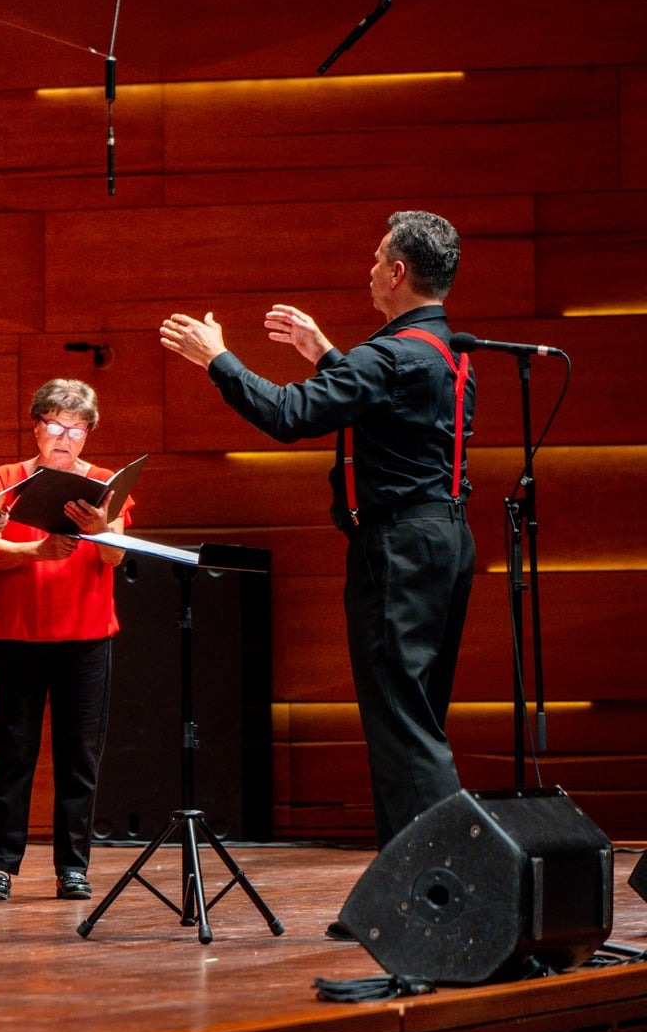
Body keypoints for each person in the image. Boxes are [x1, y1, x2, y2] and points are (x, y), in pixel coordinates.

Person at [162, 210, 476, 871]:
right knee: (411, 720)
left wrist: (218, 359)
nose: (368, 268)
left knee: (405, 728)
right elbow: (387, 409)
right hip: (444, 540)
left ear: (397, 272)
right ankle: (403, 888)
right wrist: (327, 355)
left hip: (396, 549)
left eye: (375, 257)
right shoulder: (447, 353)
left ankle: (460, 889)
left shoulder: (387, 355)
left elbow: (288, 415)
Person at [0, 380, 130, 904]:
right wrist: (37, 551)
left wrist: (103, 529)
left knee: (78, 756)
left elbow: (116, 560)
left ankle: (73, 868)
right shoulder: (6, 478)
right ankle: (1, 866)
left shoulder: (108, 482)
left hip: (85, 636)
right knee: (12, 753)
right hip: (17, 632)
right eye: (55, 426)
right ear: (37, 425)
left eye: (76, 429)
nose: (65, 437)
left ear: (87, 433)